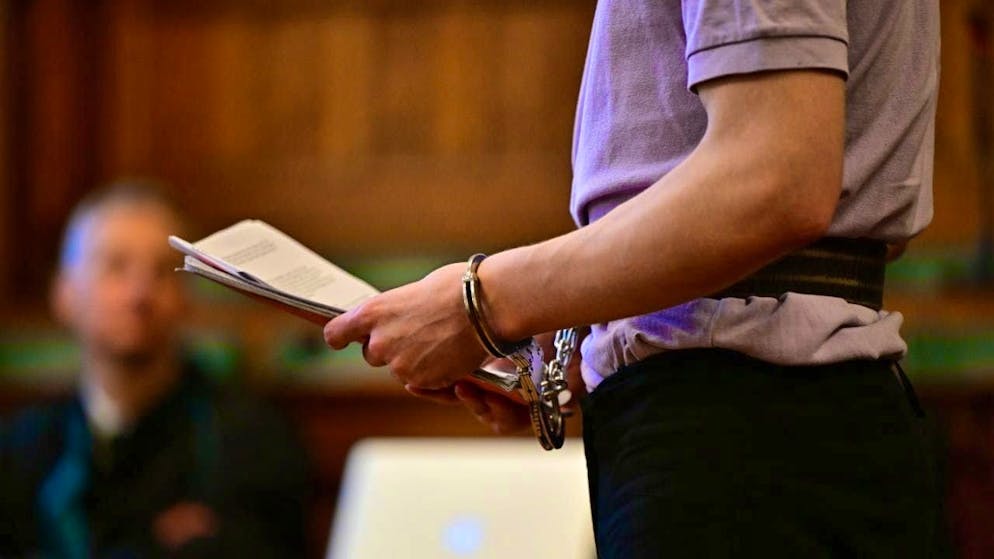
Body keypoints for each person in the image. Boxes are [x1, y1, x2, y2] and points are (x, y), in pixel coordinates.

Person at [323, 1, 947, 557]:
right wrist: (603, 321)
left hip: (740, 442)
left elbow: (777, 179)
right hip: (771, 426)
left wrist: (481, 302)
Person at [0, 182, 310, 557]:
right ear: (64, 294)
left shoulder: (250, 440)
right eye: (115, 267)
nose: (139, 293)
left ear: (186, 296)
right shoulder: (21, 452)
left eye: (162, 271)